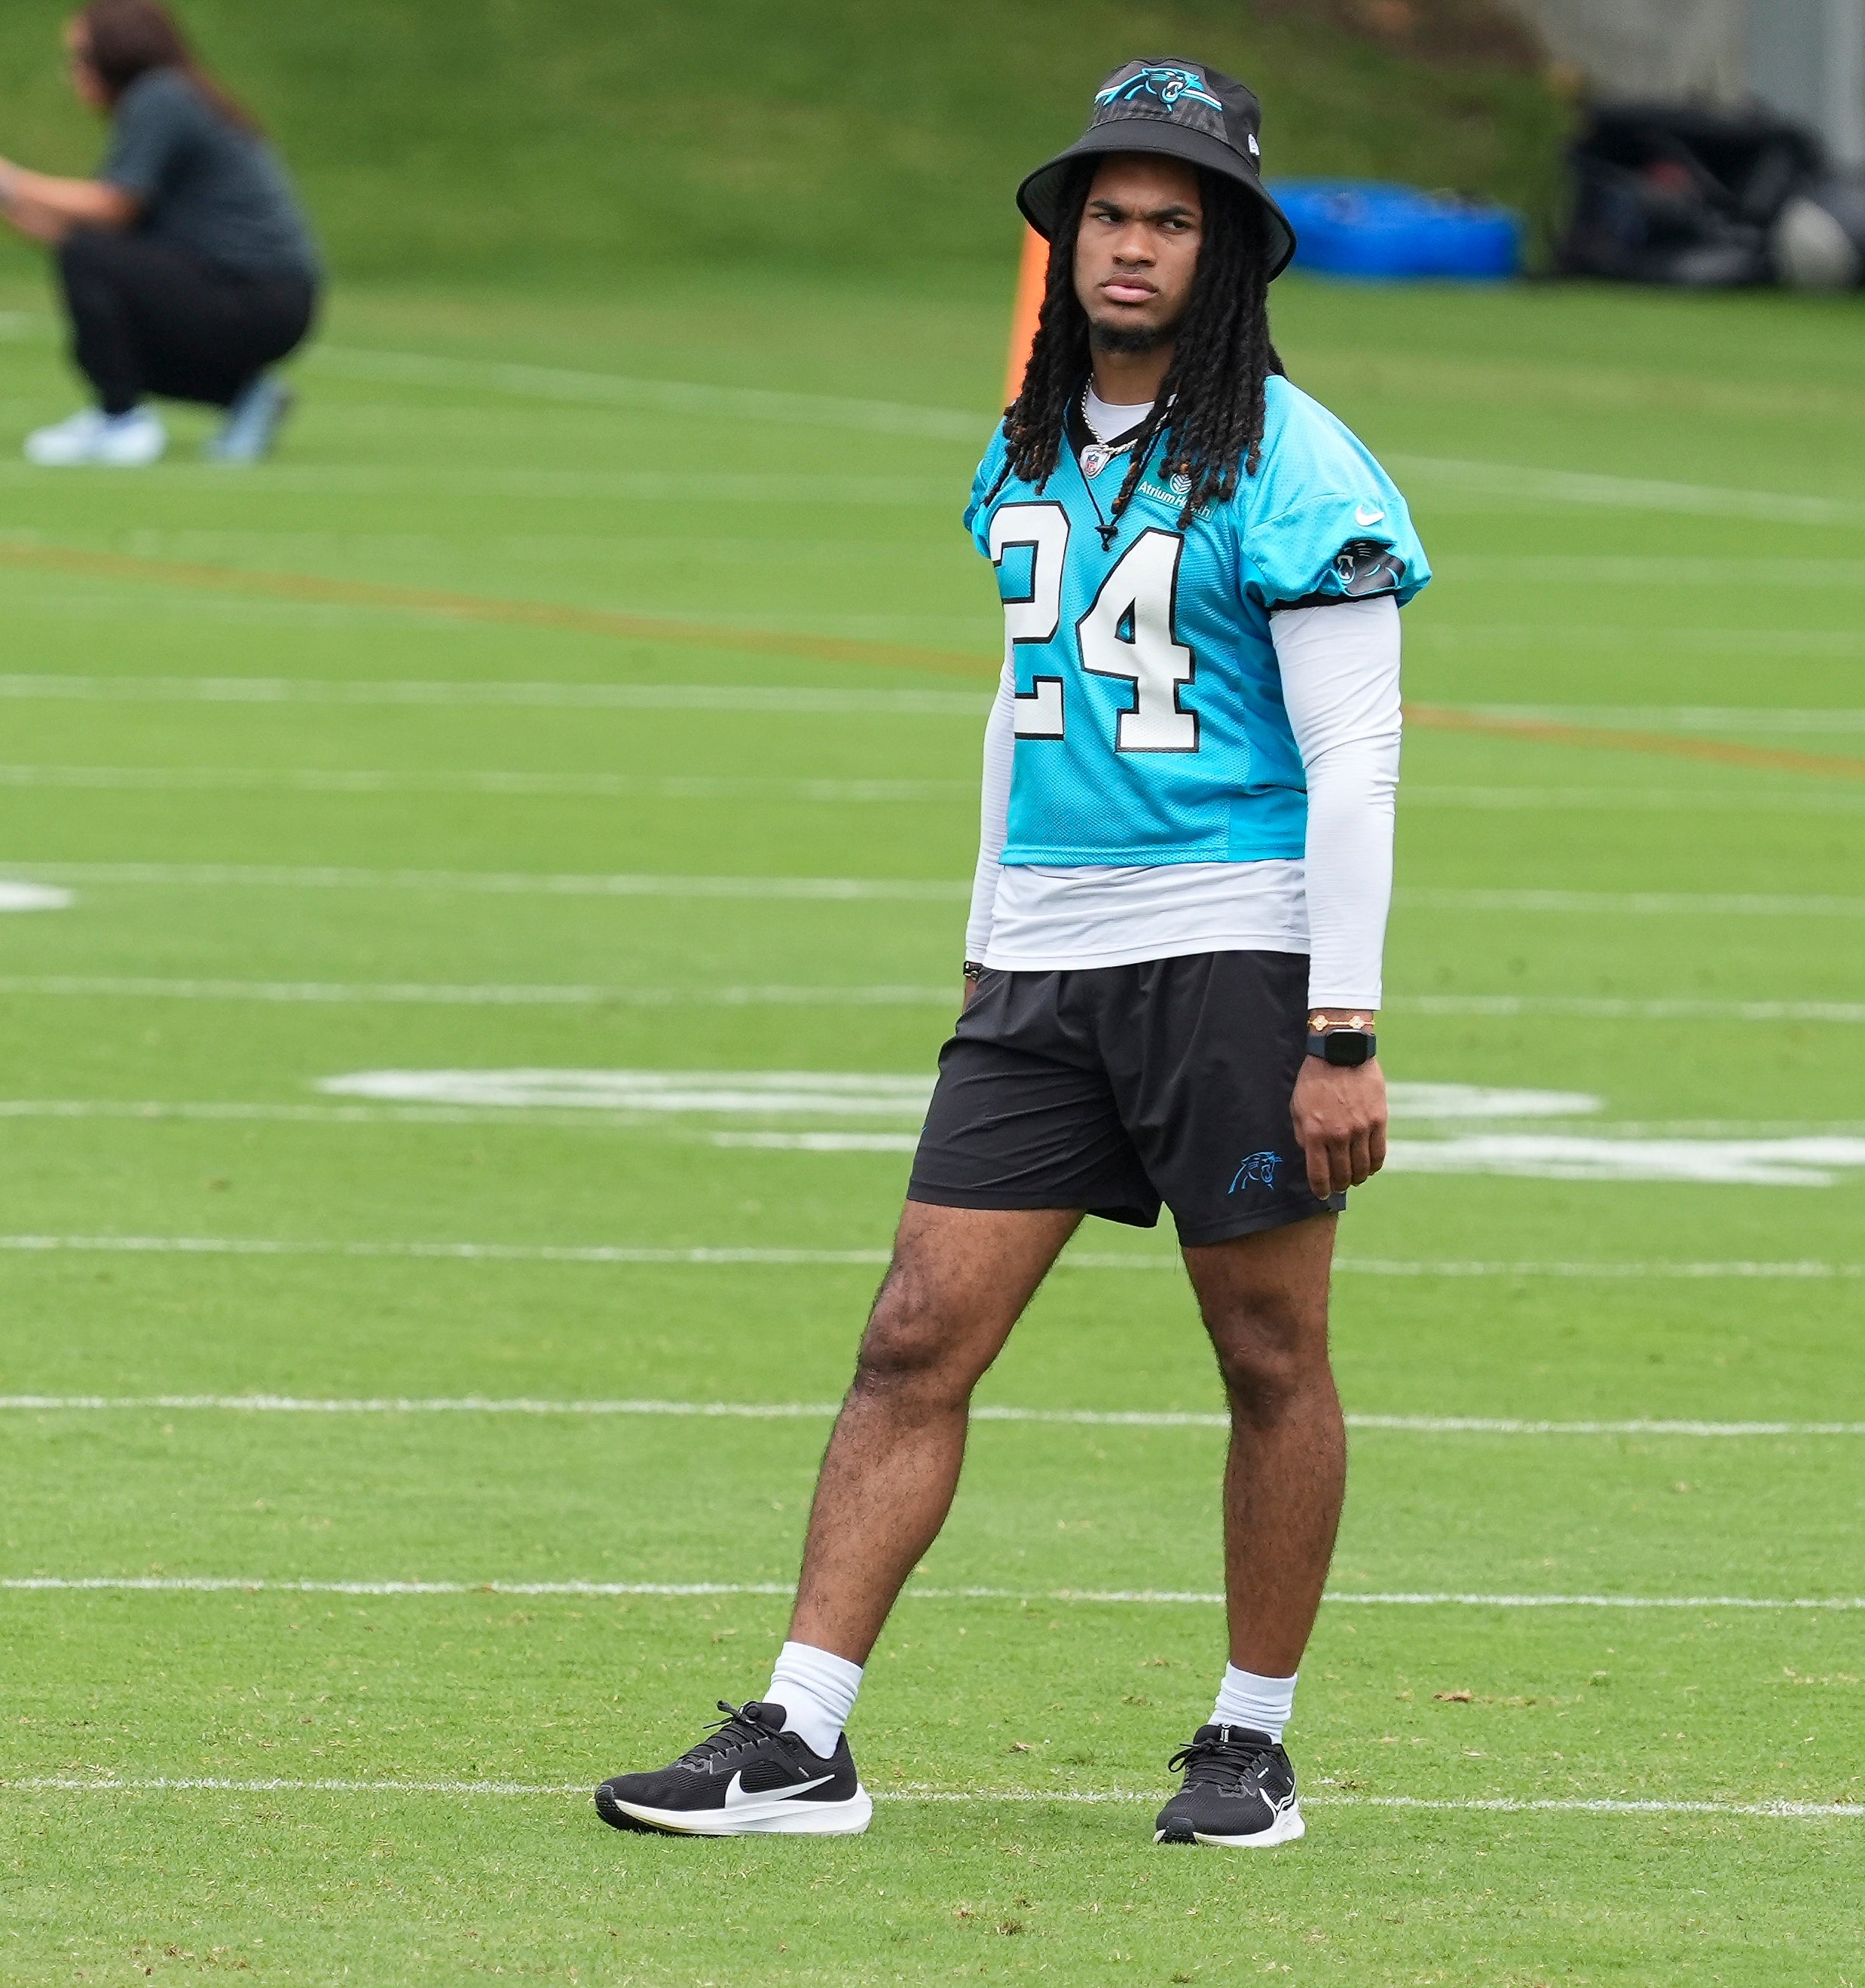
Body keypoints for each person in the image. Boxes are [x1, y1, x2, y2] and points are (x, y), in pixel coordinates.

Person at [595, 57, 1427, 1849]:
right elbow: (1017, 700)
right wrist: (984, 937)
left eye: (1170, 218)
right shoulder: (1031, 443)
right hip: (1043, 963)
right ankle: (803, 1730)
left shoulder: (1299, 458)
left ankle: (1248, 1736)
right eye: (1107, 215)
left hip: (1230, 945)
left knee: (1268, 1349)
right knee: (914, 1331)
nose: (1131, 247)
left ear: (1231, 253)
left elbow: (1354, 747)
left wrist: (1341, 1022)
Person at [0, 1, 319, 466]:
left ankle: (122, 423)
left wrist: (3, 177)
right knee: (97, 334)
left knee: (92, 270)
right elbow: (75, 234)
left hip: (255, 292)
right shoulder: (165, 99)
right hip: (263, 297)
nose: (73, 73)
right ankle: (245, 396)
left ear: (117, 53)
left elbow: (109, 209)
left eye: (81, 58)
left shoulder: (161, 96)